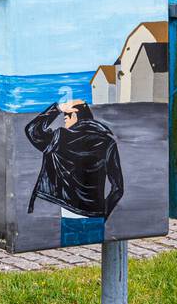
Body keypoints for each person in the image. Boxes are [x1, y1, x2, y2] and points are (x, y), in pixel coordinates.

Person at [25, 98, 124, 246]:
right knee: (93, 254)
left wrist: (57, 108)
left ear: (75, 115)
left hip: (70, 214)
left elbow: (33, 130)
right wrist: (103, 214)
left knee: (74, 254)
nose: (64, 121)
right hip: (96, 215)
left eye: (66, 116)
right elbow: (118, 188)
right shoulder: (108, 142)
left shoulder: (61, 138)